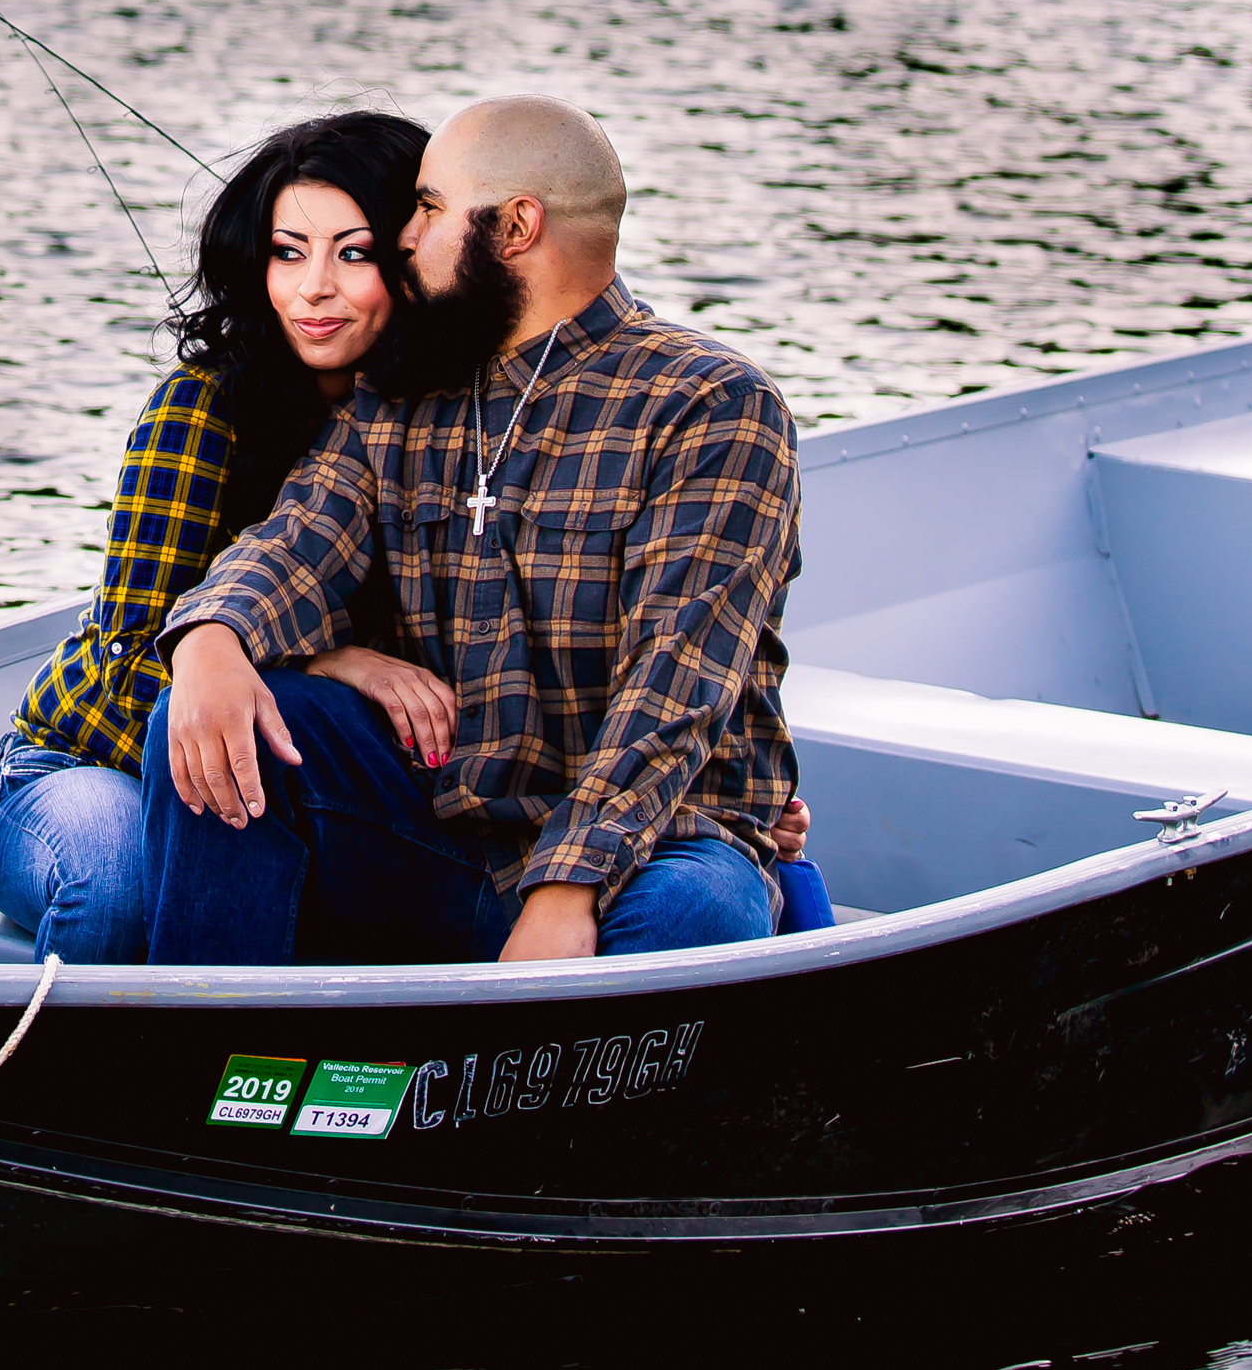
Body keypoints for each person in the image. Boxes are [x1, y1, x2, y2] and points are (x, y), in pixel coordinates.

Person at [143, 94, 807, 966]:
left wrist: (568, 889)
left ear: (516, 225)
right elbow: (299, 537)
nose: (406, 237)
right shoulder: (411, 388)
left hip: (640, 859)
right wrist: (213, 637)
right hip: (450, 837)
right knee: (229, 724)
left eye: (427, 210)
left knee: (698, 911)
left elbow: (674, 687)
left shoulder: (710, 405)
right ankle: (216, 1067)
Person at [0, 108, 445, 961]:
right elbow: (131, 655)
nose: (314, 289)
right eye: (288, 252)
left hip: (288, 774)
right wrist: (326, 663)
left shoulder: (439, 425)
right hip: (87, 762)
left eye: (355, 253)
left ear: (415, 264)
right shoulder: (201, 411)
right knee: (120, 889)